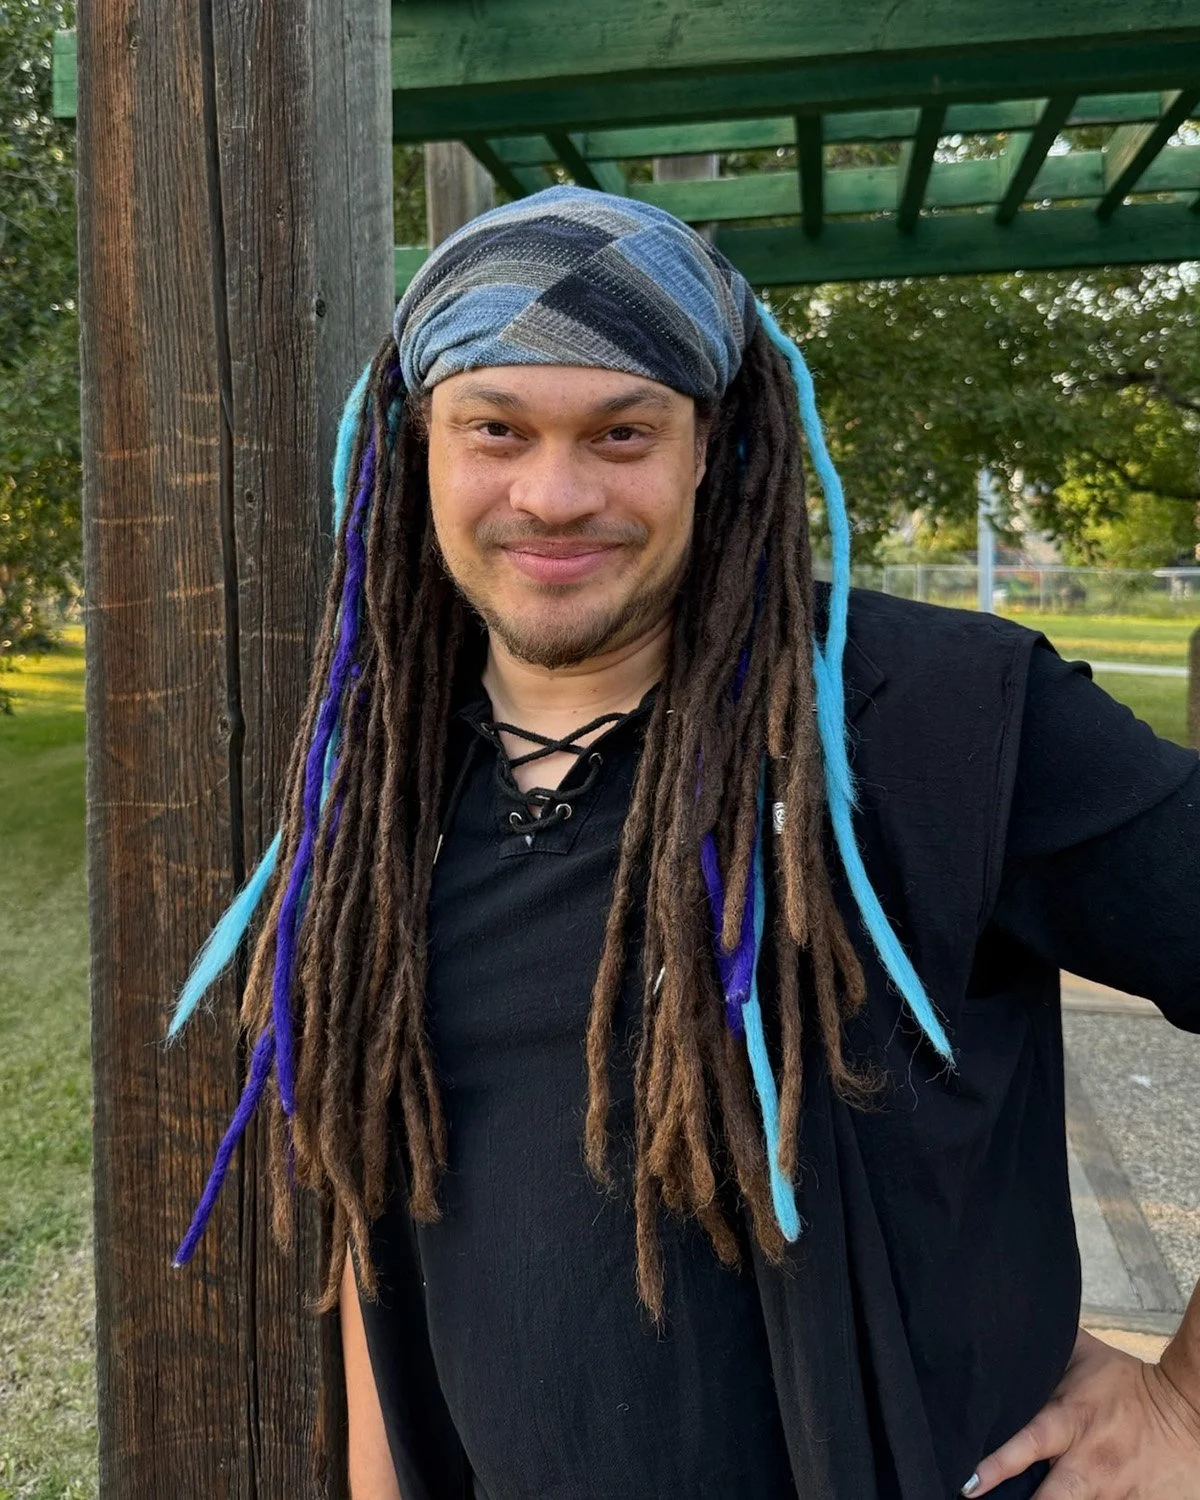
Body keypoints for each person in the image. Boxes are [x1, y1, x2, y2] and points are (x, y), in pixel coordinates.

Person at [168, 188, 1200, 1499]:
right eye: (496, 428)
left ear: (712, 445)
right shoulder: (372, 786)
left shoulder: (942, 717)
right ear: (414, 442)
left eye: (621, 431)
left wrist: (1182, 1412)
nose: (553, 491)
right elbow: (385, 1221)